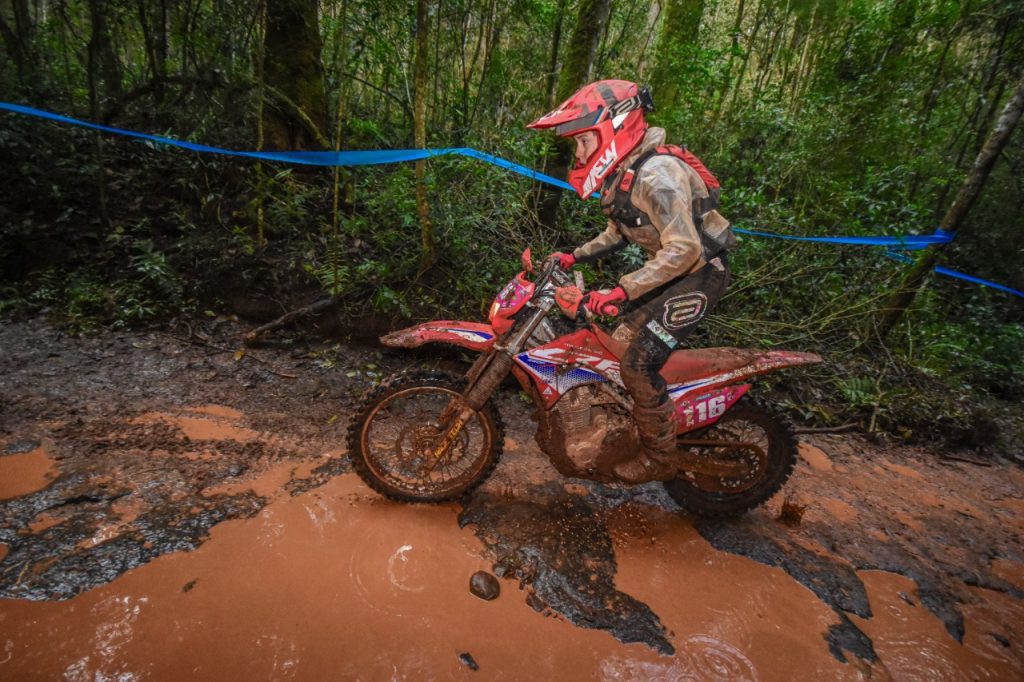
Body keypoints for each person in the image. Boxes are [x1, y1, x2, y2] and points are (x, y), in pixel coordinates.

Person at [528, 80, 734, 484]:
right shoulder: (626, 173)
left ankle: (660, 456)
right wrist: (573, 255)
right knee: (616, 340)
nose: (580, 153)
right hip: (667, 274)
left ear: (614, 127)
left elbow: (685, 250)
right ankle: (622, 426)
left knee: (637, 363)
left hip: (700, 276)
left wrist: (620, 290)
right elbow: (617, 233)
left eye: (583, 141)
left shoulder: (657, 176)